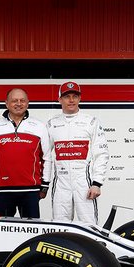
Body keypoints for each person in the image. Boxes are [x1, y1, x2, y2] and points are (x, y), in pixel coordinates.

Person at [45, 81, 110, 224]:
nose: (71, 100)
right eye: (67, 96)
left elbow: (101, 154)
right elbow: (46, 157)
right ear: (59, 99)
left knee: (89, 225)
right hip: (61, 182)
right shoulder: (51, 124)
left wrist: (97, 183)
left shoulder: (91, 122)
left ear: (80, 98)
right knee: (60, 226)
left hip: (83, 182)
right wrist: (45, 183)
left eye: (75, 96)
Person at [0, 88, 50, 218]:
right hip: (3, 190)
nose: (19, 104)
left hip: (30, 191)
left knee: (31, 230)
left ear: (27, 103)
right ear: (6, 103)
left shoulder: (39, 126)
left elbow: (47, 157)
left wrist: (45, 185)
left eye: (22, 100)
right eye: (14, 101)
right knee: (3, 230)